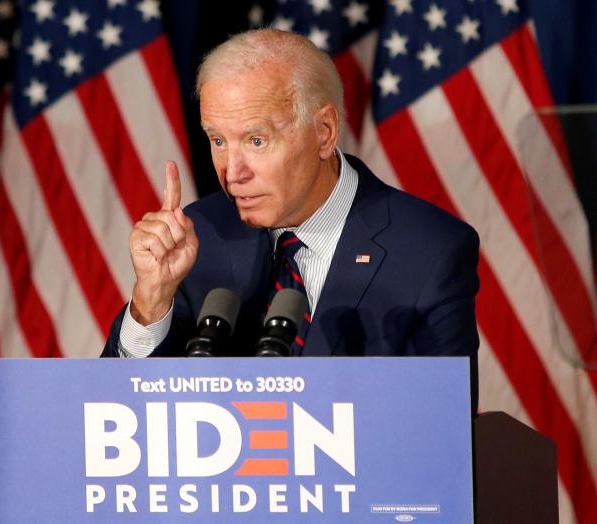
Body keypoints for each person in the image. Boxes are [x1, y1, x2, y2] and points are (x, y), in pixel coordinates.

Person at [101, 29, 480, 411]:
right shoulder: (200, 237)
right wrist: (151, 301)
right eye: (218, 141)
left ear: (324, 132)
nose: (232, 172)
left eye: (256, 140)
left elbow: (441, 432)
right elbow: (115, 417)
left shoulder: (427, 252)